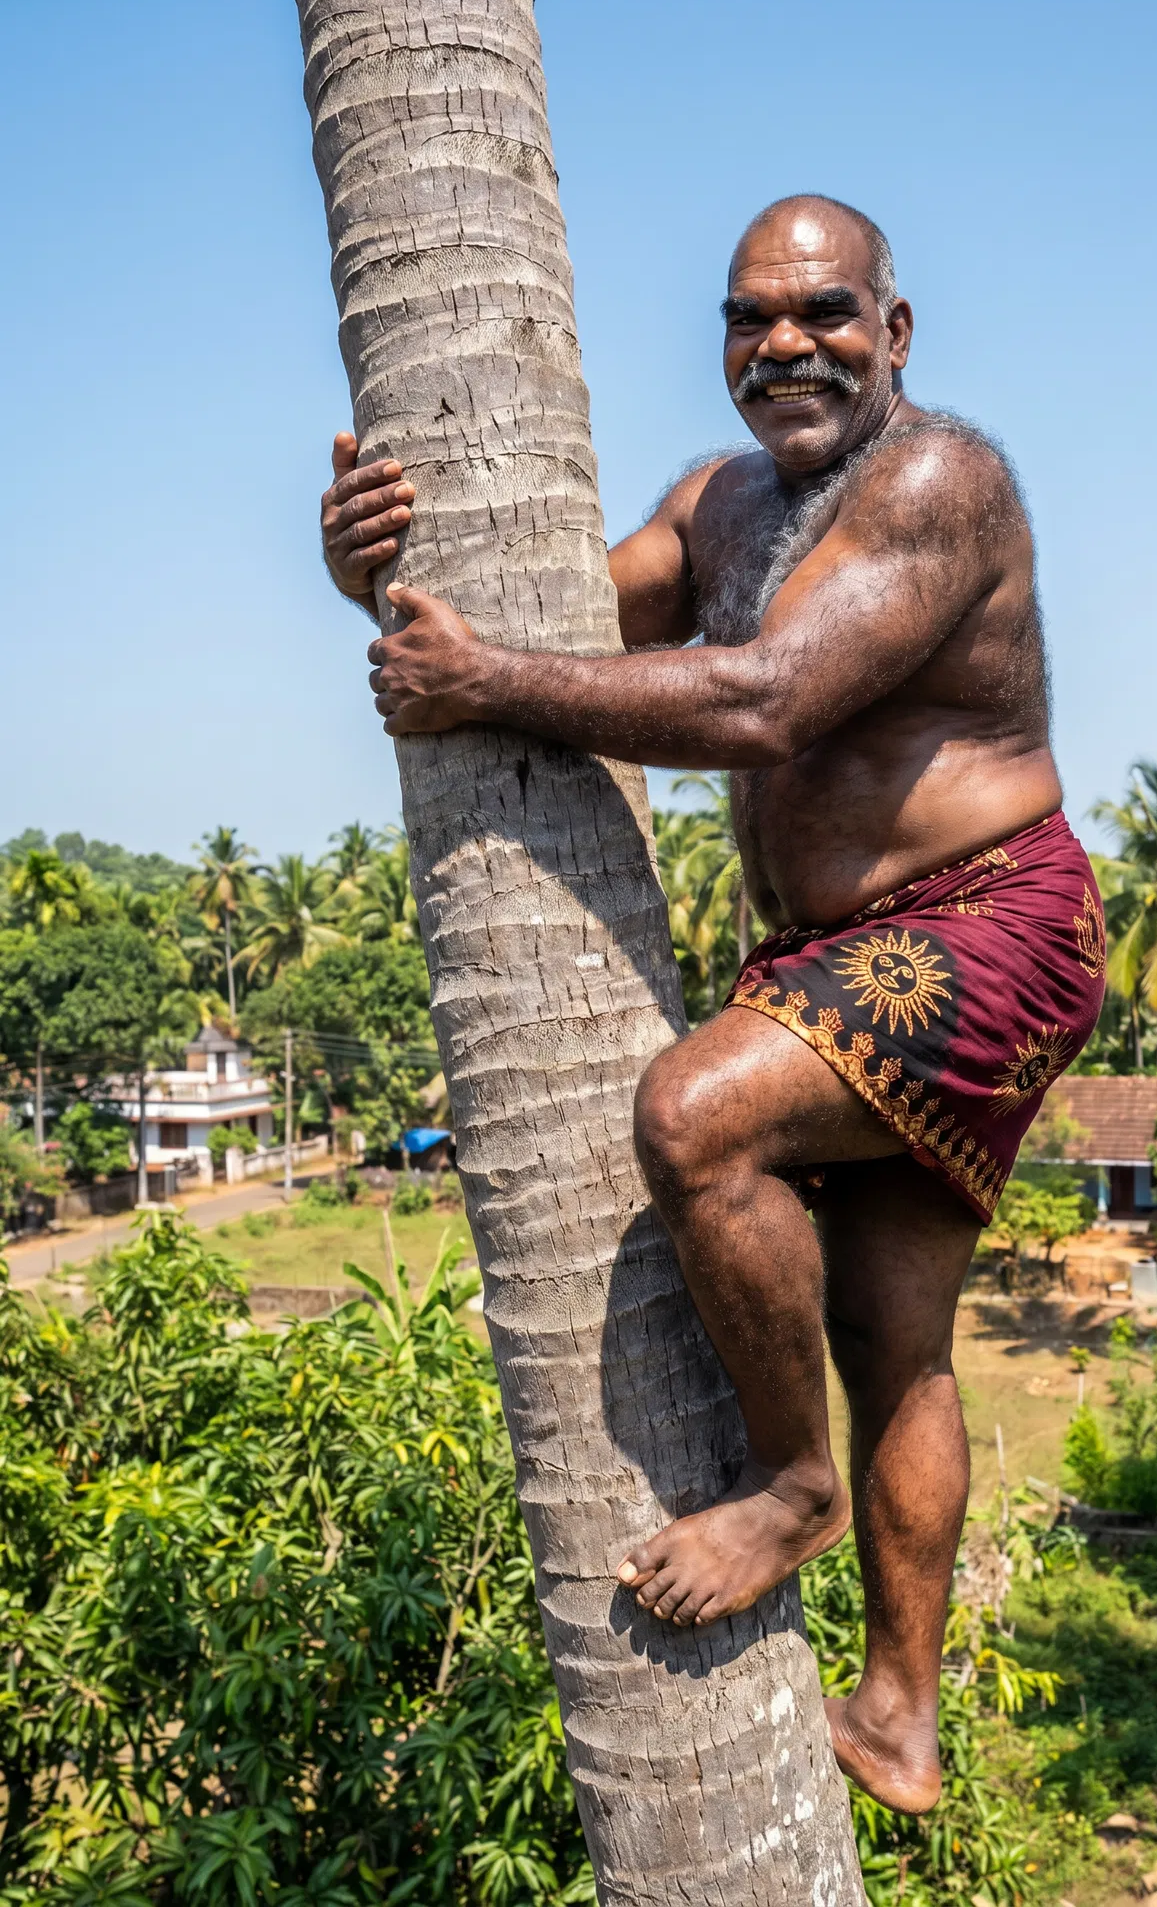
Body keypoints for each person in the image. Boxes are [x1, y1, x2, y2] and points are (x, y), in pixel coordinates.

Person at [318, 194, 1105, 1814]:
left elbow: (761, 702)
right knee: (894, 1336)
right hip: (845, 954)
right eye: (752, 318)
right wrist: (378, 586)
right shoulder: (716, 502)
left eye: (823, 313)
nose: (784, 345)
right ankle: (897, 1710)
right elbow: (555, 643)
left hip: (990, 917)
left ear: (894, 332)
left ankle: (794, 1487)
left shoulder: (938, 481)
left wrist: (483, 680)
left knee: (695, 1113)